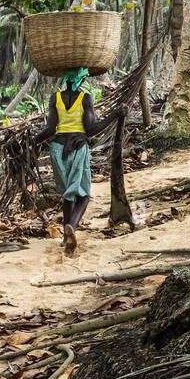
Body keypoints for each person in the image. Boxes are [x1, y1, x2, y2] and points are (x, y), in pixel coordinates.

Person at [34, 66, 121, 253]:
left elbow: (50, 130)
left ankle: (66, 238)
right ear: (81, 81)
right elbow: (90, 129)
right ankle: (70, 228)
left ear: (65, 80)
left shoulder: (55, 98)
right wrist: (114, 115)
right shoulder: (86, 98)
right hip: (77, 148)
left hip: (57, 150)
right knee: (84, 195)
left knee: (68, 194)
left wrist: (33, 141)